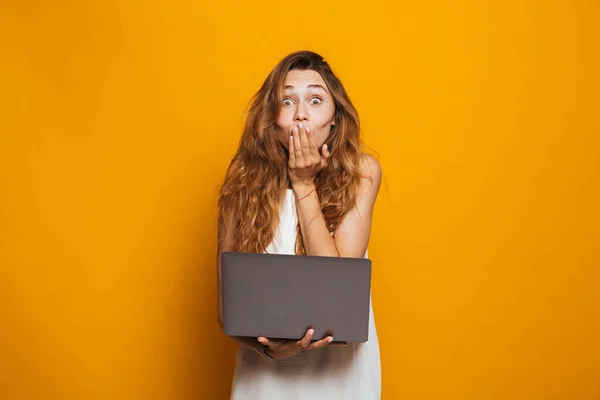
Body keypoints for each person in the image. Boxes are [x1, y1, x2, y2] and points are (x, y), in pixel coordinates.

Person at [216, 50, 382, 400]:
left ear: (335, 118)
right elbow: (226, 310)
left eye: (316, 100)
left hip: (340, 380)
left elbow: (337, 294)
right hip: (263, 381)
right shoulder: (241, 186)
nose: (302, 114)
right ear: (270, 118)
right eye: (287, 100)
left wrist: (303, 184)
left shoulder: (361, 173)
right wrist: (268, 350)